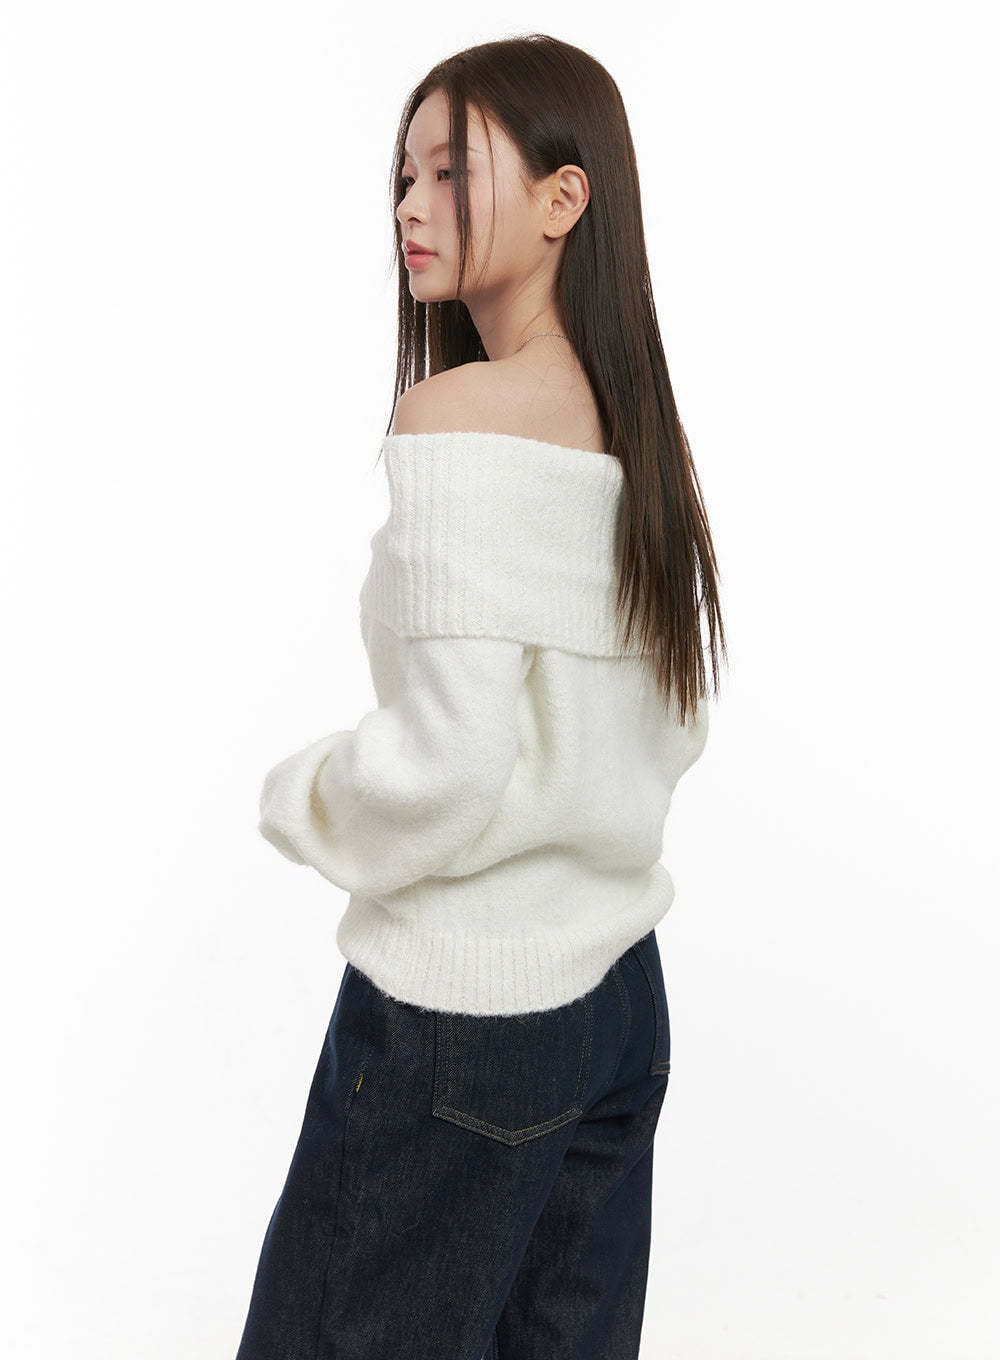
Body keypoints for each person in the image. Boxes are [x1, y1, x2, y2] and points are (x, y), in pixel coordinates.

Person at [235, 33, 727, 1360]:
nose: (411, 203)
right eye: (404, 174)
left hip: (463, 1015)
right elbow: (674, 725)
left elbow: (445, 766)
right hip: (618, 998)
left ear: (567, 198)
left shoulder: (458, 417)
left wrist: (302, 795)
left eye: (452, 170)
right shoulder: (636, 427)